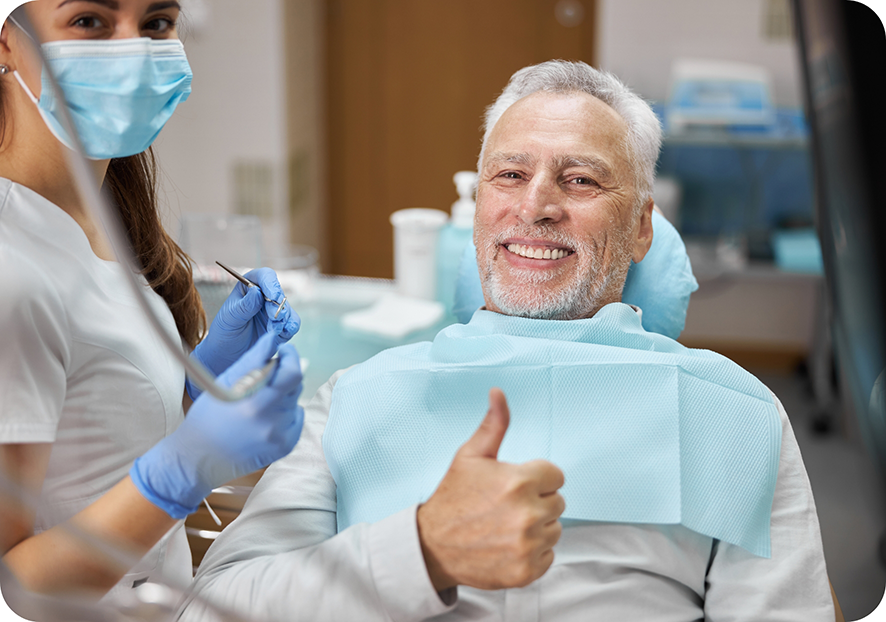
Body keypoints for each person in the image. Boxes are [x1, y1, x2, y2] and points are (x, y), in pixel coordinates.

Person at [181, 60, 835, 621]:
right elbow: (216, 609)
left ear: (640, 229)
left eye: (580, 179)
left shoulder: (731, 415)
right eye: (511, 175)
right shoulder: (355, 401)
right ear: (479, 214)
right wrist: (420, 551)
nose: (536, 206)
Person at [0, 0, 304, 604]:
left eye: (157, 23)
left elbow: (86, 441)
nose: (133, 50)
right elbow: (11, 588)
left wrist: (192, 394)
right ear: (7, 42)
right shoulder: (13, 269)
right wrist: (185, 470)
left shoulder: (100, 209)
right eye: (89, 20)